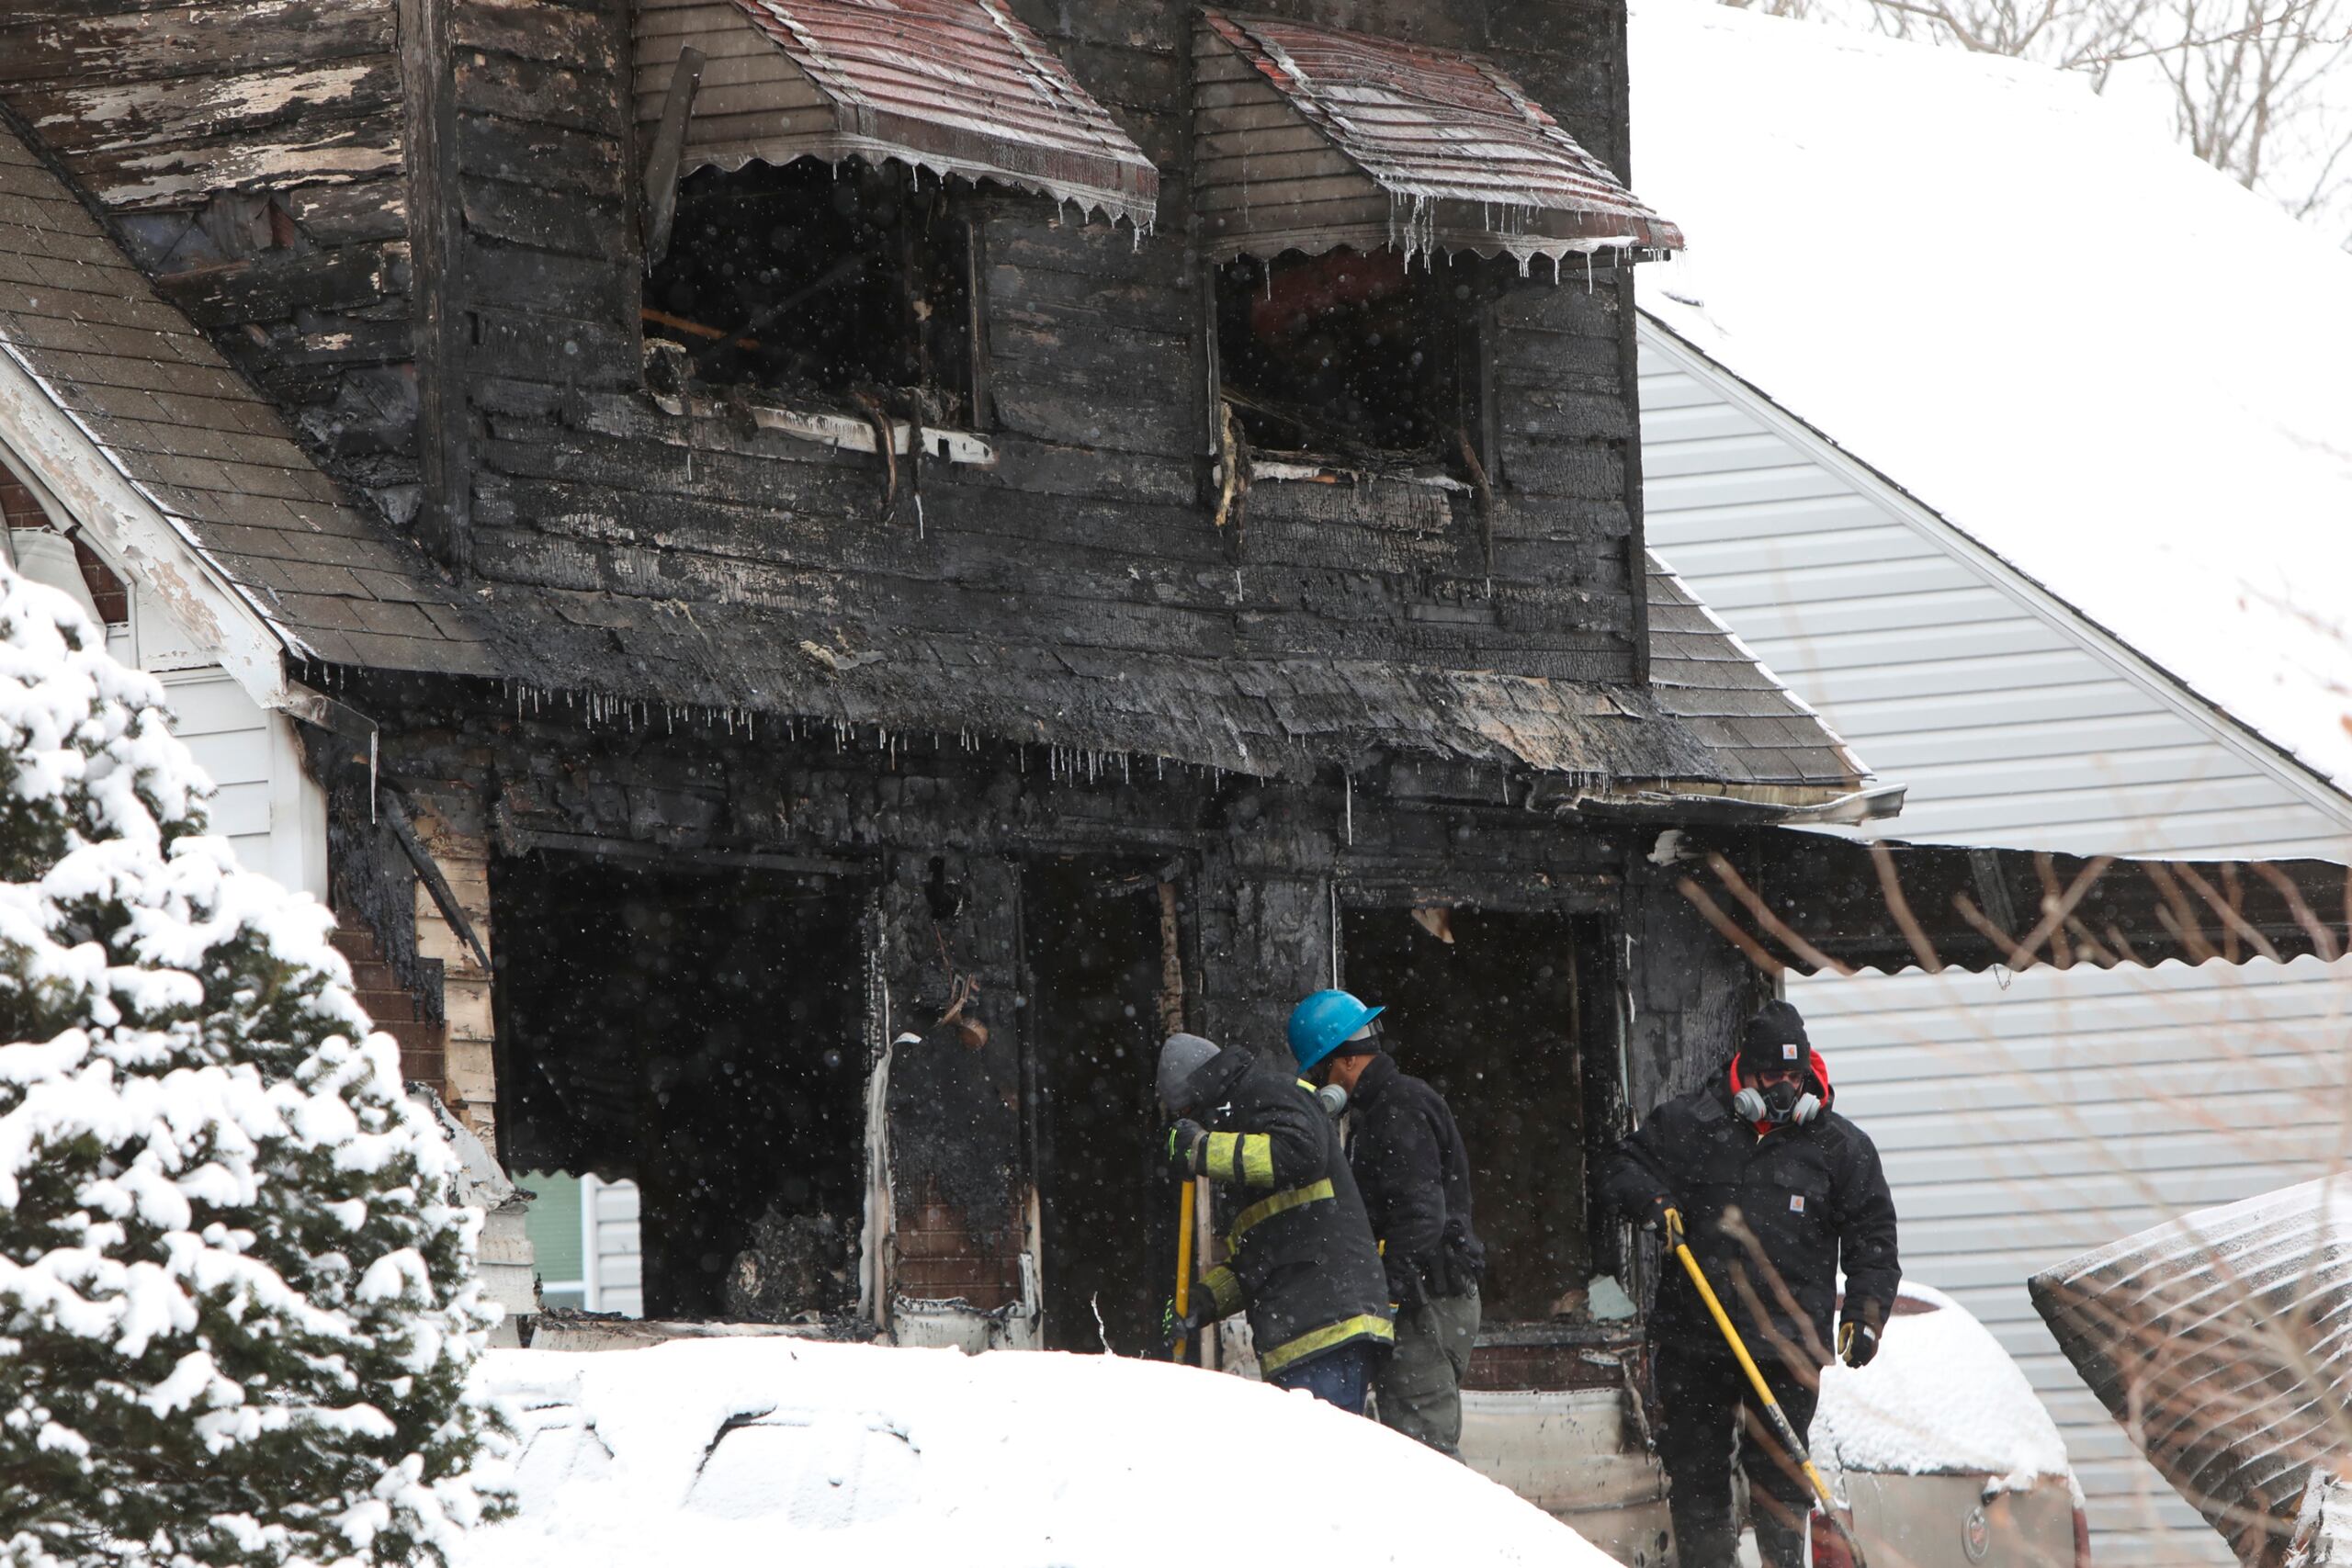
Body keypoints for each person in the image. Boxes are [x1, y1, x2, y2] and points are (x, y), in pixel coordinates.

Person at [1603, 1000, 1899, 1568]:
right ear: (1746, 1072)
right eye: (1772, 1077)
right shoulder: (1690, 1125)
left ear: (1809, 1075)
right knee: (1698, 1474)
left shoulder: (1839, 1147)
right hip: (1698, 1334)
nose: (1784, 1090)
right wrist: (1654, 1201)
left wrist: (1864, 1313)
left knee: (1780, 1481)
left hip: (1787, 1343)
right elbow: (1621, 1167)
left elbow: (1873, 1237)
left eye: (1795, 1078)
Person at [1288, 988, 1486, 1459]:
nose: (1320, 1085)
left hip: (1425, 1300)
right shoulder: (1383, 1110)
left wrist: (1391, 1294)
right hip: (1428, 1295)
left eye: (1321, 1071)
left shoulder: (1397, 1111)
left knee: (1423, 1452)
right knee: (1412, 1444)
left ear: (1346, 1061)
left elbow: (1420, 1217)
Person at [1156, 1030, 1394, 1410]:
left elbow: (1301, 1153)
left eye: (1190, 1117)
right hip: (1299, 1342)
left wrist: (1201, 1149)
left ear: (1203, 1095)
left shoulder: (1266, 1091)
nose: (1196, 1128)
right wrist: (1199, 1302)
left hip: (1328, 1328)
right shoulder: (1245, 1160)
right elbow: (1257, 1261)